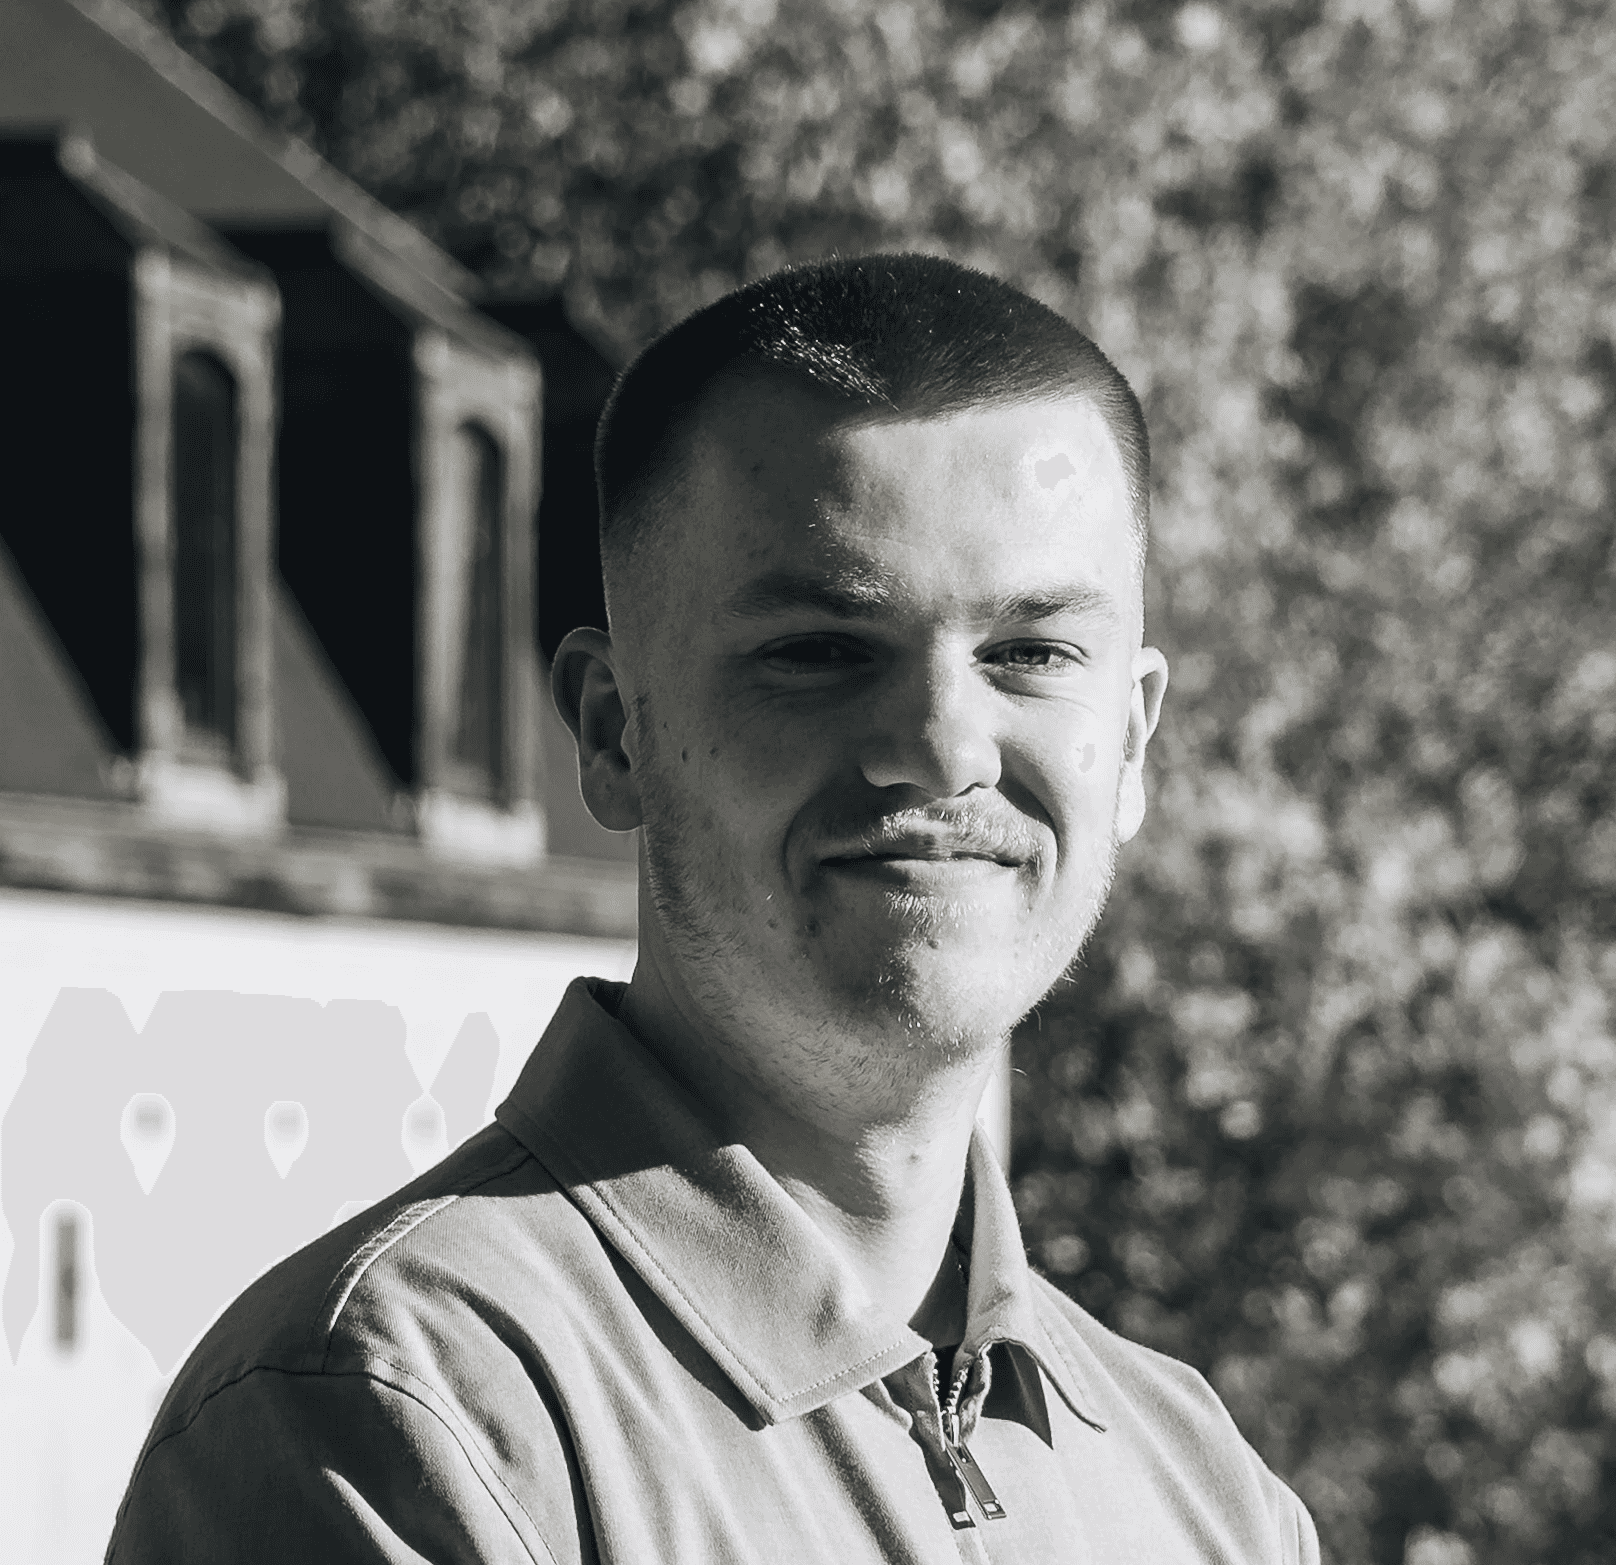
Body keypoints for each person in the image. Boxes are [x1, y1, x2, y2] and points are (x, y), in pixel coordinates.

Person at [106, 254, 1320, 1563]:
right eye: (820, 651)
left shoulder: (1197, 1487)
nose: (941, 747)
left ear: (1131, 745)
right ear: (615, 733)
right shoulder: (406, 1421)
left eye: (1029, 654)